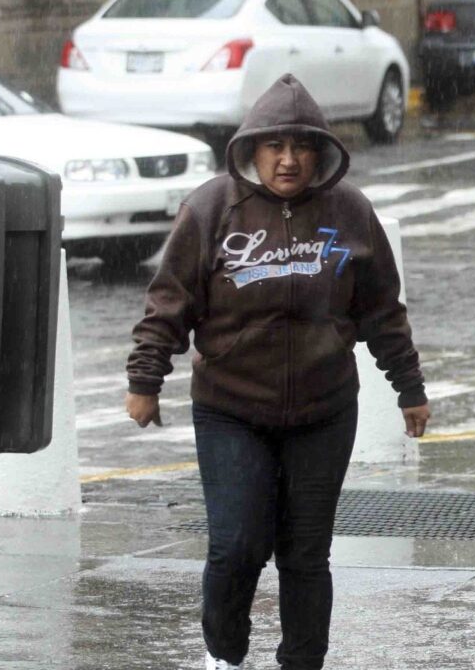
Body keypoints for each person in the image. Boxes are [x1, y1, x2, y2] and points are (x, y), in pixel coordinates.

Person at [124, 74, 430, 670]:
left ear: (320, 152)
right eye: (274, 147)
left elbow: (383, 311)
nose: (287, 160)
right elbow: (169, 299)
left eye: (301, 147)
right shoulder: (213, 208)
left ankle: (301, 662)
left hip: (324, 409)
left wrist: (409, 387)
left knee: (305, 555)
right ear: (251, 149)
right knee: (238, 544)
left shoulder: (349, 212)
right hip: (231, 408)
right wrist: (146, 378)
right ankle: (225, 655)